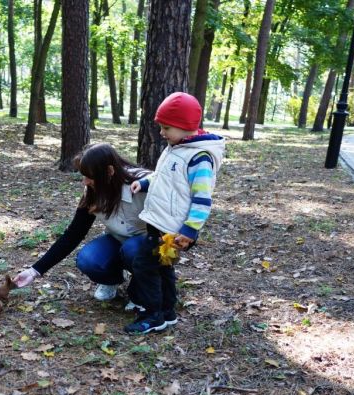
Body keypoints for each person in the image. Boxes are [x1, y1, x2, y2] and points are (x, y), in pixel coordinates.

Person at [125, 92, 226, 334]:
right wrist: (147, 182)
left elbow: (202, 199)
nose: (161, 133)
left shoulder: (199, 158)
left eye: (166, 127)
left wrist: (190, 230)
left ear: (185, 127)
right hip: (159, 222)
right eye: (161, 127)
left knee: (144, 266)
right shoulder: (175, 147)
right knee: (163, 267)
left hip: (175, 229)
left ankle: (152, 315)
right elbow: (165, 178)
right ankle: (167, 311)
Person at [12, 143, 150, 306]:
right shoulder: (93, 191)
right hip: (118, 240)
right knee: (88, 259)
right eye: (83, 176)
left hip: (150, 243)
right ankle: (112, 280)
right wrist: (35, 271)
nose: (85, 182)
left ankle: (144, 286)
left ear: (109, 172)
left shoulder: (143, 184)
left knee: (133, 249)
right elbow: (73, 234)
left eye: (90, 176)